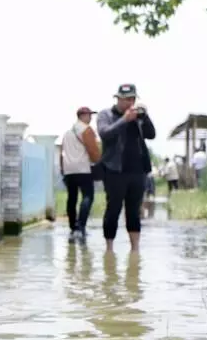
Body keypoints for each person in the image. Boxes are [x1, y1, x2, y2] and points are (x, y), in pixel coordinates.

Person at [96, 83, 156, 253]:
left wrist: (145, 116)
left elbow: (151, 134)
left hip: (138, 170)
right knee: (113, 208)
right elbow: (105, 133)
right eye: (125, 99)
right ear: (117, 99)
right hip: (115, 170)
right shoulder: (105, 115)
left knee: (134, 211)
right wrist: (124, 120)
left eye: (132, 99)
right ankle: (109, 249)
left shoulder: (138, 116)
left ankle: (135, 249)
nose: (128, 103)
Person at [59, 106, 101, 243]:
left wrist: (63, 169)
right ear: (83, 115)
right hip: (83, 169)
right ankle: (81, 227)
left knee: (72, 198)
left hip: (69, 170)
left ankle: (73, 227)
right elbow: (93, 152)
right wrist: (98, 162)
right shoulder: (87, 130)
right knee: (88, 196)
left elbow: (62, 153)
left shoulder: (67, 133)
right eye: (89, 115)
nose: (91, 118)